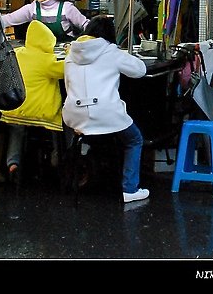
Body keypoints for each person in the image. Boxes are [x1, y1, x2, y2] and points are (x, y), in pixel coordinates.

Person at [62, 15, 150, 203]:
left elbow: (69, 85)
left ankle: (79, 166)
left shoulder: (71, 53)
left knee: (81, 134)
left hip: (74, 115)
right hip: (107, 114)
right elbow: (140, 70)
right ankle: (130, 189)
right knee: (134, 139)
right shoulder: (111, 52)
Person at [0, 20, 65, 181]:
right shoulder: (47, 60)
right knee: (57, 131)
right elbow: (67, 70)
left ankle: (13, 162)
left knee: (16, 130)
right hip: (41, 113)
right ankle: (56, 158)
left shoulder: (18, 53)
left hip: (14, 109)